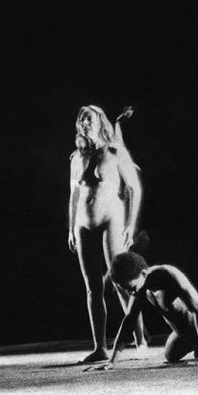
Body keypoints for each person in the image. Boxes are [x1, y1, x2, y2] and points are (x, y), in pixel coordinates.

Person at [67, 105, 148, 363]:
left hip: (110, 219)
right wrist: (70, 228)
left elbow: (134, 188)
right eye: (81, 118)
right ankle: (99, 347)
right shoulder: (77, 157)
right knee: (92, 287)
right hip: (83, 224)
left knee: (121, 281)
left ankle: (140, 340)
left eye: (89, 117)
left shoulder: (114, 152)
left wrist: (130, 225)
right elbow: (74, 195)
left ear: (100, 121)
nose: (84, 121)